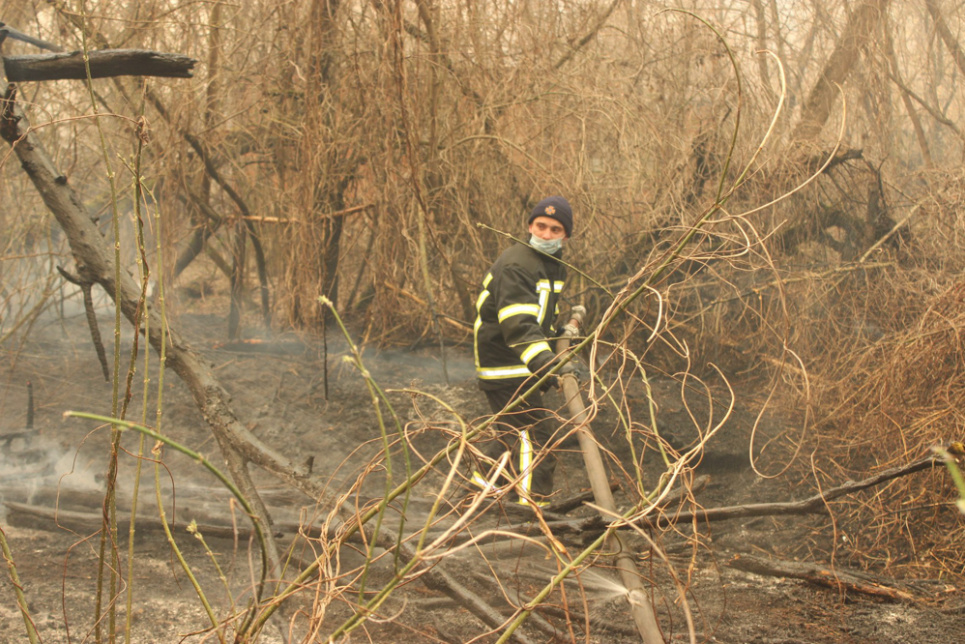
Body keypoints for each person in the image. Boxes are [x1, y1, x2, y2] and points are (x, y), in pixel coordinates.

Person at [471, 196, 576, 507]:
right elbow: (518, 324)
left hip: (520, 360)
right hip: (505, 362)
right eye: (540, 226)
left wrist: (561, 339)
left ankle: (479, 497)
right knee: (536, 437)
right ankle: (534, 509)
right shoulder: (518, 263)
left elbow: (537, 319)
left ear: (565, 235)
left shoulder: (552, 265)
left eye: (554, 229)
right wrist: (549, 366)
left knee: (510, 435)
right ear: (529, 226)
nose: (545, 234)